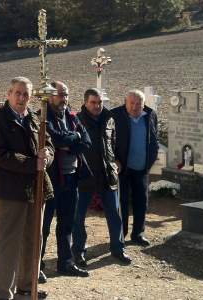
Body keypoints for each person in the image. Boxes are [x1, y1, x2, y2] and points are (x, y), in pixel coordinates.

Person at [0, 77, 54, 300]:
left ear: (30, 96)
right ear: (9, 93)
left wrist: (47, 156)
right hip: (11, 190)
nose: (21, 97)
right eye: (17, 93)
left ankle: (27, 285)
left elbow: (49, 145)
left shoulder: (35, 119)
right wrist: (32, 163)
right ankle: (5, 293)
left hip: (36, 188)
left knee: (33, 239)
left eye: (26, 94)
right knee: (9, 242)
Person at [73, 88, 130, 266]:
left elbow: (113, 143)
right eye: (93, 102)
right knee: (78, 216)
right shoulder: (76, 121)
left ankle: (118, 249)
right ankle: (79, 251)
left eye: (99, 102)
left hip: (107, 174)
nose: (97, 106)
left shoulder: (109, 119)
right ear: (85, 102)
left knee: (114, 214)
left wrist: (117, 161)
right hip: (84, 175)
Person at [40, 81, 91, 278]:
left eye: (67, 95)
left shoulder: (72, 117)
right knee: (43, 226)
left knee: (67, 223)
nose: (65, 99)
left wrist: (72, 139)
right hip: (51, 180)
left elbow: (86, 142)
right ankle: (37, 266)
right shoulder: (43, 118)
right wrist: (73, 138)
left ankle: (66, 262)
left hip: (71, 179)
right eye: (61, 95)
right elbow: (56, 139)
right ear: (50, 96)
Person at [111, 90, 159, 247]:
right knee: (122, 202)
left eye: (139, 103)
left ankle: (138, 233)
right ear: (125, 102)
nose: (134, 106)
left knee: (141, 202)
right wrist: (114, 160)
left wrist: (149, 162)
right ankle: (121, 235)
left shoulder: (150, 115)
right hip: (122, 168)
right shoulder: (115, 115)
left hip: (142, 168)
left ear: (144, 104)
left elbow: (154, 139)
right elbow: (107, 142)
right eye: (131, 103)